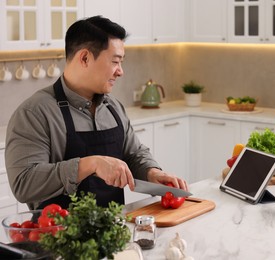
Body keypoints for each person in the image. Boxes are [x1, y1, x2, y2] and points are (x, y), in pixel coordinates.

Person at [5, 16, 188, 210]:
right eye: (115, 61)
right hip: (58, 237)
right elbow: (23, 184)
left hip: (114, 233)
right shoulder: (34, 113)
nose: (120, 71)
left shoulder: (113, 107)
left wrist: (152, 172)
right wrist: (90, 165)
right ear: (84, 58)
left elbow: (134, 153)